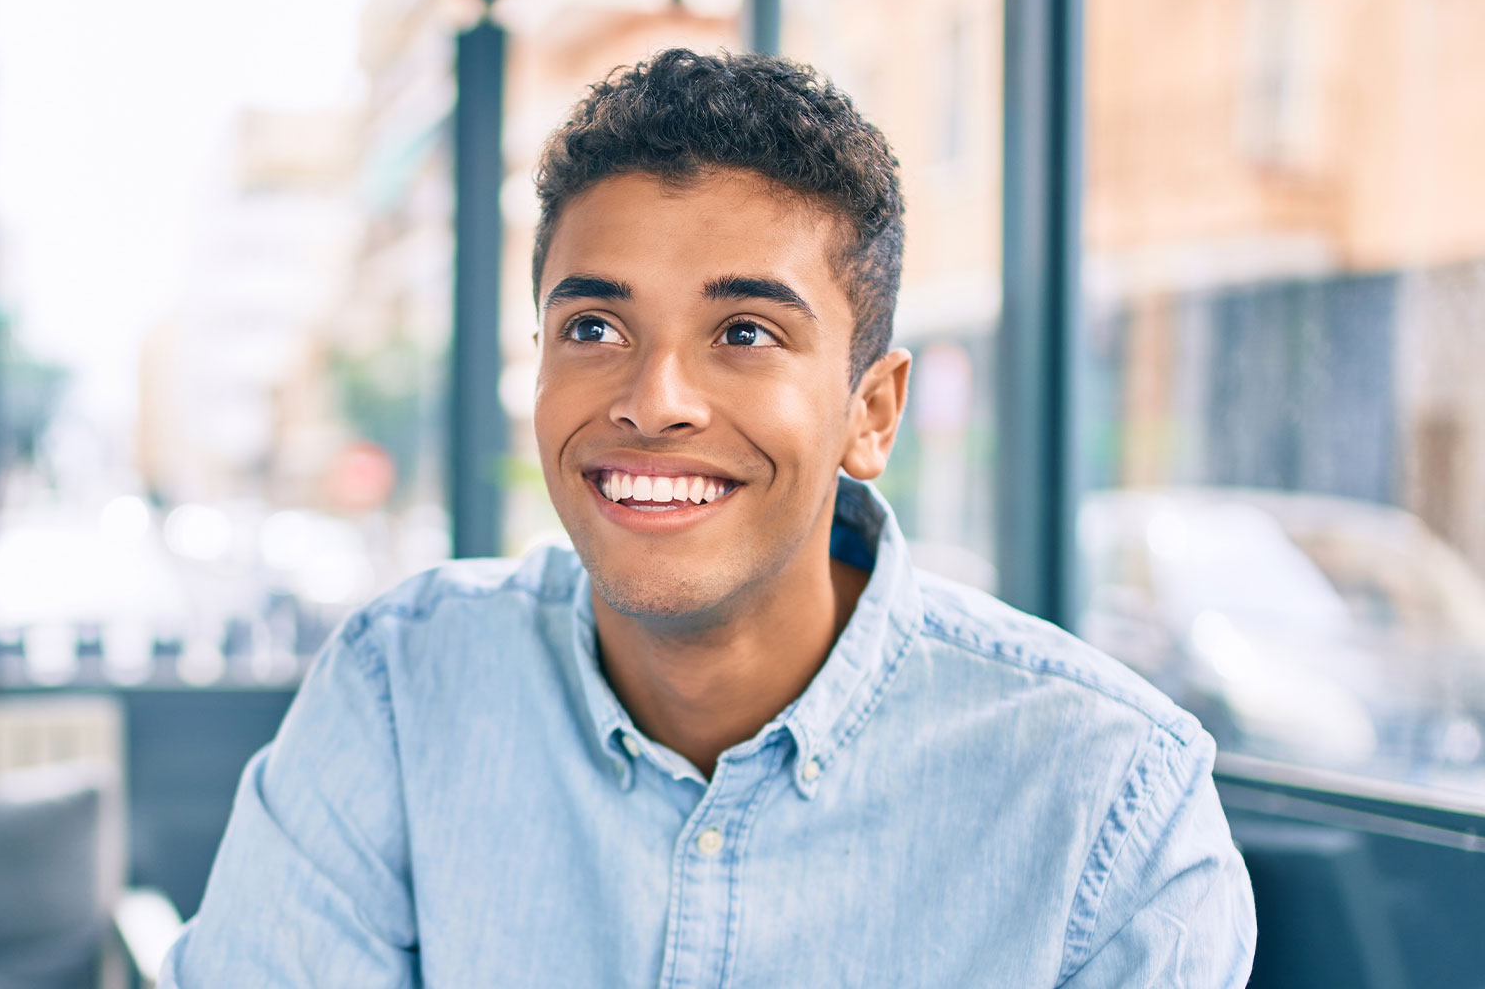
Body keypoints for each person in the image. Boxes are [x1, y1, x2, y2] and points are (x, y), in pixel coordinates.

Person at [161, 48, 1255, 987]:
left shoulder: (1111, 801)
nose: (651, 400)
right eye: (592, 327)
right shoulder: (398, 692)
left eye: (743, 333)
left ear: (867, 413)